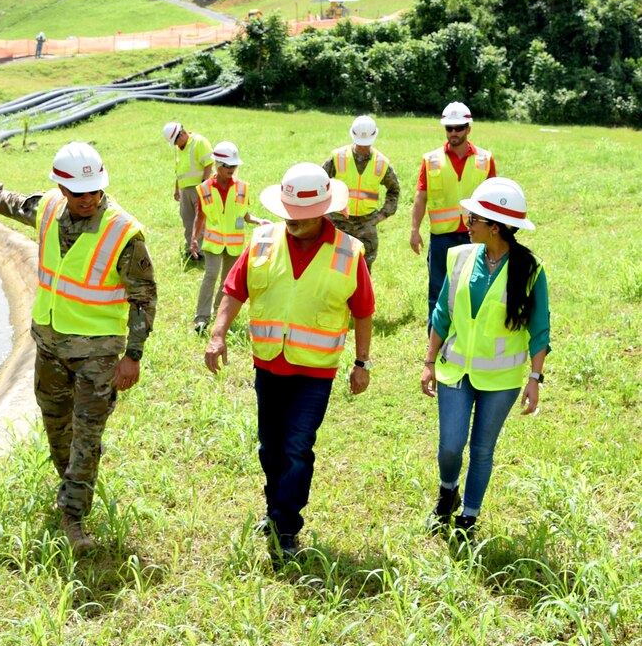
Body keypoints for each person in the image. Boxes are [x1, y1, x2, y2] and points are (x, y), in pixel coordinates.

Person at [0, 142, 157, 553]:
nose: (87, 199)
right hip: (49, 346)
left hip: (97, 354)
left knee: (86, 433)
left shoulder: (123, 232)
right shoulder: (47, 208)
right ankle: (69, 487)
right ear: (60, 187)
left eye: (94, 191)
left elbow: (144, 297)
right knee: (56, 424)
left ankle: (74, 518)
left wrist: (133, 356)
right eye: (78, 192)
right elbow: (14, 203)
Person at [204, 163, 374, 562]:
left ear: (323, 211)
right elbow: (234, 289)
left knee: (298, 447)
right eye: (287, 213)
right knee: (271, 447)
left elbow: (363, 310)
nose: (291, 222)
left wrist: (362, 362)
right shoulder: (262, 240)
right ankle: (273, 505)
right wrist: (217, 334)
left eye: (300, 216)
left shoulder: (349, 252)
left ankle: (286, 525)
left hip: (314, 372)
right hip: (268, 364)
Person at [421, 177, 549, 543]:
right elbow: (442, 314)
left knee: (481, 449)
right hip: (456, 369)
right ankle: (448, 492)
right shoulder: (460, 257)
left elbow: (540, 329)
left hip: (502, 379)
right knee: (450, 445)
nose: (466, 223)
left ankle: (468, 517)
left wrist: (535, 379)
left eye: (473, 218)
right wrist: (429, 361)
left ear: (495, 227)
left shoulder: (530, 269)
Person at [410, 101, 497, 326]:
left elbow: (494, 199)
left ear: (469, 128)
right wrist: (414, 230)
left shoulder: (485, 159)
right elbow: (421, 196)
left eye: (459, 127)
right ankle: (435, 345)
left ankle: (470, 336)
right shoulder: (431, 160)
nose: (454, 132)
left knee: (476, 289)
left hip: (477, 236)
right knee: (438, 292)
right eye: (449, 128)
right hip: (442, 237)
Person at [189, 141, 268, 334]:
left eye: (234, 166)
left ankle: (219, 314)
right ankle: (201, 318)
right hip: (213, 243)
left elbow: (244, 214)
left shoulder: (242, 187)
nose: (232, 169)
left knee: (227, 282)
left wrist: (258, 221)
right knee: (210, 276)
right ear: (218, 165)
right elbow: (200, 215)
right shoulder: (205, 188)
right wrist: (193, 239)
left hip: (234, 245)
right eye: (228, 166)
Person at [321, 114, 399, 271]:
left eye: (366, 143)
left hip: (366, 225)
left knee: (363, 269)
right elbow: (320, 182)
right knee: (337, 269)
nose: (363, 147)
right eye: (359, 143)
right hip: (339, 222)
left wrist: (382, 215)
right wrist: (325, 211)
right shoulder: (338, 158)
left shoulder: (381, 163)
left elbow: (394, 190)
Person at [162, 121, 213, 260]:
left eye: (175, 142)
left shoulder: (199, 142)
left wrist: (204, 184)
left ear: (181, 135)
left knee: (200, 219)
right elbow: (179, 171)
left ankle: (201, 252)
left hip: (198, 188)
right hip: (185, 190)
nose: (175, 145)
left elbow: (209, 163)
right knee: (187, 219)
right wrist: (177, 189)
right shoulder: (180, 148)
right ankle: (191, 248)